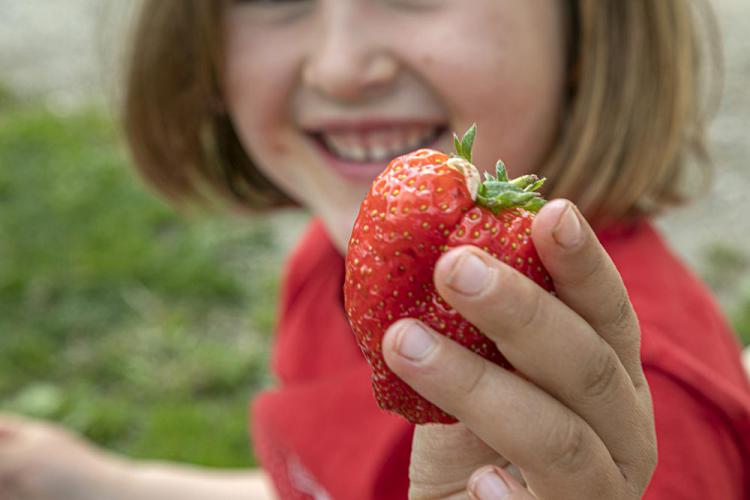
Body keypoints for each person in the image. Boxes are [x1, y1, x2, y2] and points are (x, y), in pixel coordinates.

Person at [1, 0, 749, 498]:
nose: (338, 67)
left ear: (591, 29)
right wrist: (110, 482)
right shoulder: (367, 253)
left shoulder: (619, 434)